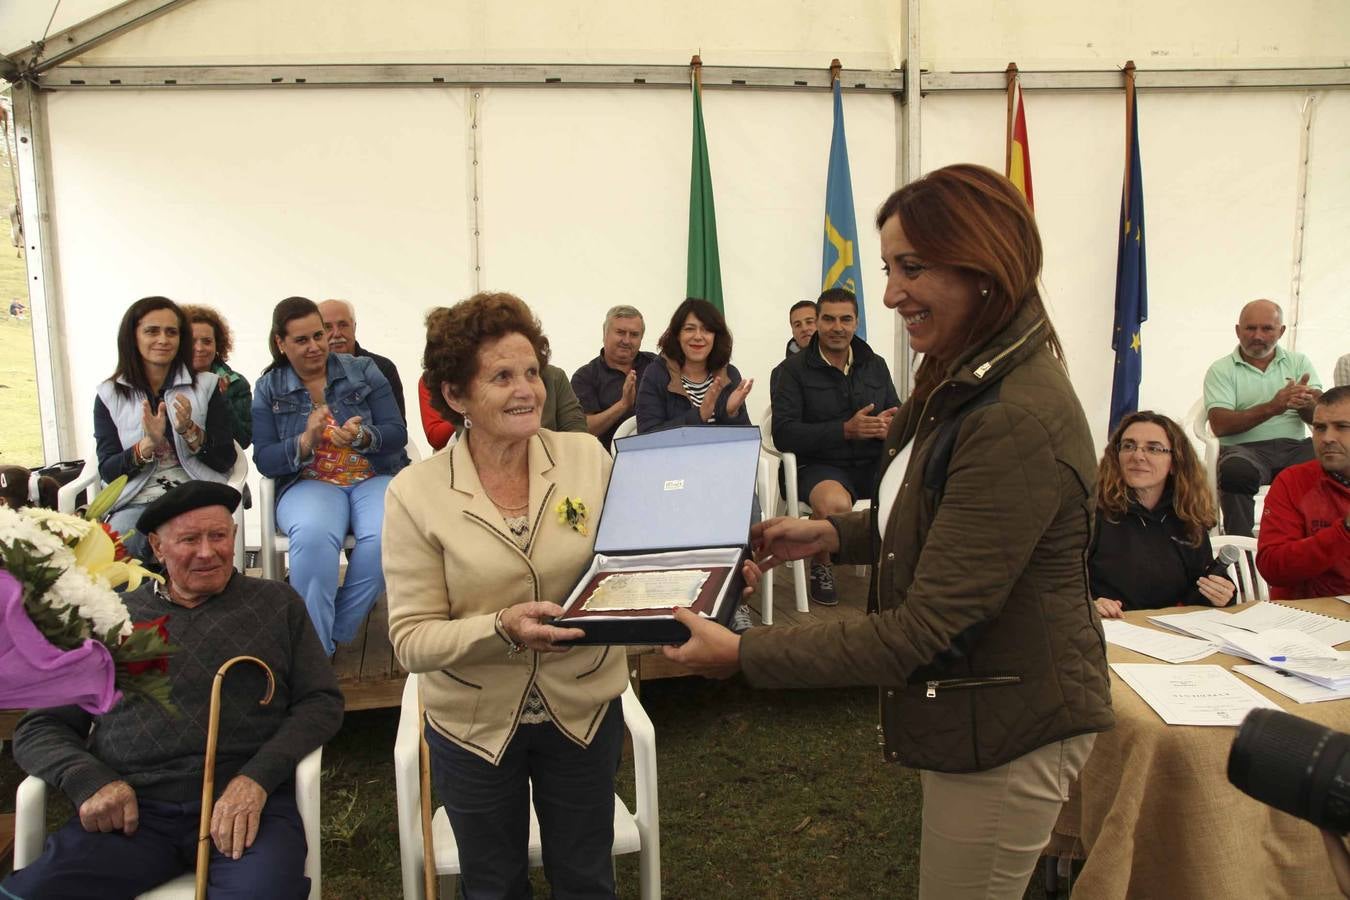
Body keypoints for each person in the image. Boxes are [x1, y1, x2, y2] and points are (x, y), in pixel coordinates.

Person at [664, 165, 1114, 900]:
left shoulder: (1011, 415)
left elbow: (923, 631)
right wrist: (834, 535)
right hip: (979, 709)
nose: (890, 294)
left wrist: (744, 652)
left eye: (912, 267)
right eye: (888, 269)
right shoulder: (964, 375)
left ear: (983, 267)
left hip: (1006, 725)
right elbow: (935, 513)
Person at [384, 291, 629, 899]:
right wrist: (500, 627)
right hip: (474, 721)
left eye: (531, 373)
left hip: (583, 705)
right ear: (456, 395)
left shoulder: (586, 458)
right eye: (501, 377)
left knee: (587, 878)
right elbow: (411, 640)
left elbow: (631, 567)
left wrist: (704, 583)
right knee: (492, 885)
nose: (527, 391)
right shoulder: (415, 493)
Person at [2, 481, 343, 900]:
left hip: (244, 804)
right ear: (157, 547)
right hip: (132, 813)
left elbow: (320, 702)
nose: (208, 552)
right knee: (31, 893)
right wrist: (88, 780)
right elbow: (40, 727)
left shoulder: (277, 604)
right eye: (189, 540)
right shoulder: (110, 617)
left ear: (235, 536)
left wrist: (257, 777)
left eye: (219, 536)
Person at [252, 296, 408, 655]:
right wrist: (306, 440)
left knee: (388, 534)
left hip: (372, 475)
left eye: (318, 335)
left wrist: (362, 436)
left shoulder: (364, 370)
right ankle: (317, 654)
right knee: (313, 536)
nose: (315, 346)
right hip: (308, 482)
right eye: (301, 340)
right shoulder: (269, 387)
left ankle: (331, 630)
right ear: (280, 343)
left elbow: (396, 432)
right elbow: (265, 458)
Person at [771, 287, 898, 605]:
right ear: (818, 322)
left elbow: (895, 411)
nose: (837, 327)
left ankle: (897, 568)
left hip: (871, 462)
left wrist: (889, 425)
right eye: (829, 319)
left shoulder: (876, 365)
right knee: (835, 505)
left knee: (916, 491)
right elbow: (784, 433)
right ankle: (821, 564)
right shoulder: (790, 371)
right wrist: (845, 430)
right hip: (819, 465)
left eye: (845, 319)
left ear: (856, 322)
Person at [95, 297, 237, 561]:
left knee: (195, 545)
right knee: (116, 548)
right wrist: (147, 444)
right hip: (137, 501)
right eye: (152, 331)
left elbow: (225, 459)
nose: (163, 340)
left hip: (195, 495)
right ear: (132, 337)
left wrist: (190, 431)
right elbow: (108, 470)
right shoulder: (109, 394)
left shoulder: (206, 385)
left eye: (172, 332)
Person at [1089, 411, 1235, 618]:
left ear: (1175, 462)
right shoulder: (1090, 512)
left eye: (1153, 449)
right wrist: (1089, 603)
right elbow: (1057, 583)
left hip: (1169, 630)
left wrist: (1220, 594)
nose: (1138, 456)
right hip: (1109, 628)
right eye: (1129, 446)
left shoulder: (1188, 515)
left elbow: (1195, 591)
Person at [1203, 299, 1322, 536]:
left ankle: (1321, 540)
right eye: (1250, 328)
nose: (1258, 335)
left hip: (1295, 448)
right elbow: (1220, 425)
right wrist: (1273, 407)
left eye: (1267, 328)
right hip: (1243, 451)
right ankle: (1239, 547)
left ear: (1281, 331)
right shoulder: (1221, 369)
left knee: (1337, 461)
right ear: (1238, 331)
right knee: (1235, 471)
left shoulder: (1299, 362)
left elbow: (1320, 415)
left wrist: (1307, 403)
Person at [1256, 386, 1350, 599]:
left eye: (1342, 426)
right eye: (1320, 428)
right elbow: (1272, 567)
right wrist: (1344, 532)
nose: (1327, 438)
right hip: (1306, 614)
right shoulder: (1293, 481)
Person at [635, 297, 753, 433]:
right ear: (678, 335)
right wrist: (699, 415)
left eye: (707, 330)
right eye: (689, 329)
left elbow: (746, 438)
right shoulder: (656, 374)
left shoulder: (730, 374)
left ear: (716, 336)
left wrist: (731, 413)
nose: (698, 337)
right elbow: (647, 435)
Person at [570, 304, 658, 450]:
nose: (626, 340)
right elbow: (583, 429)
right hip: (606, 460)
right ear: (605, 333)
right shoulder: (585, 376)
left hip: (658, 454)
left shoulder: (656, 366)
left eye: (634, 334)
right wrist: (623, 405)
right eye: (620, 332)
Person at [317, 298, 407, 421]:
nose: (337, 333)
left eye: (343, 325)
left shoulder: (382, 368)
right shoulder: (307, 371)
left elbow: (396, 426)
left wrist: (360, 432)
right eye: (327, 327)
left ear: (354, 327)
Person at [182, 304, 253, 449]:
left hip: (221, 461)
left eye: (207, 341)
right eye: (191, 341)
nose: (199, 348)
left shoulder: (237, 383)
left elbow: (243, 440)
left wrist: (222, 400)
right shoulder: (165, 380)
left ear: (218, 345)